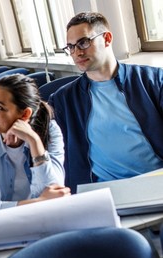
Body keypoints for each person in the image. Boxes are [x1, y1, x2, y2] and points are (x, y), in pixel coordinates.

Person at [49, 12, 163, 193]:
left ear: (107, 38)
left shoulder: (152, 81)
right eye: (70, 47)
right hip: (103, 191)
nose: (77, 52)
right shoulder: (63, 99)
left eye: (83, 42)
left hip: (155, 181)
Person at [0, 74, 70, 214]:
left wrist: (34, 141)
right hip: (4, 227)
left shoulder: (50, 129)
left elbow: (56, 193)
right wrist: (38, 203)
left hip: (46, 220)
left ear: (25, 114)